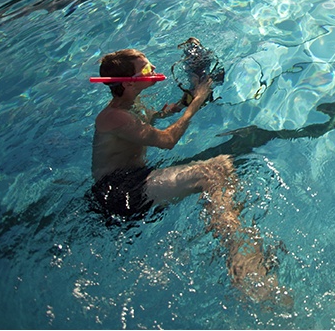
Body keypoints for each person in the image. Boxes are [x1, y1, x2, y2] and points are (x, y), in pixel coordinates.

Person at [90, 48, 289, 304]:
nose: (154, 70)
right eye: (148, 69)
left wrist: (185, 101)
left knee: (219, 170)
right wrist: (196, 104)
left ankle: (230, 228)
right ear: (129, 82)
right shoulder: (113, 117)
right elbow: (168, 140)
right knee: (213, 171)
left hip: (135, 179)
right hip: (117, 194)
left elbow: (154, 117)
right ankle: (242, 262)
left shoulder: (130, 105)